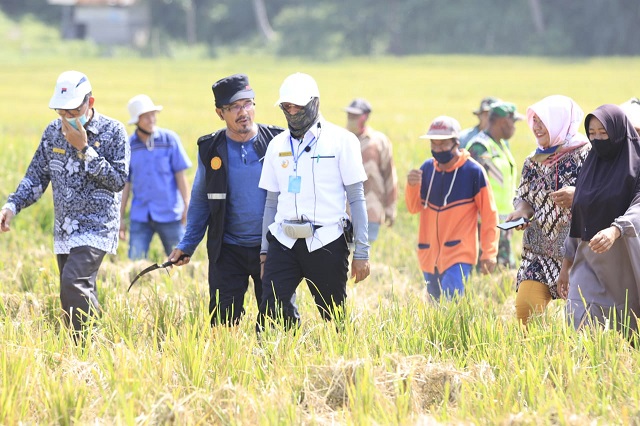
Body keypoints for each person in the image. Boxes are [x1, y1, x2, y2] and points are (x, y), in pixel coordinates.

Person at [0, 70, 129, 335]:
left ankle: (88, 343)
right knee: (73, 291)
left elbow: (118, 181)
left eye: (73, 110)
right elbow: (36, 176)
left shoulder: (113, 131)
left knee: (73, 282)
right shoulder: (52, 133)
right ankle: (85, 348)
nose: (67, 117)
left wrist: (84, 149)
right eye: (62, 111)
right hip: (65, 229)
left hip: (97, 227)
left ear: (90, 102)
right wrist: (12, 205)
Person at [168, 74, 284, 326]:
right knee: (222, 321)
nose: (243, 112)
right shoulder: (210, 148)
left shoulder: (277, 141)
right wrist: (188, 243)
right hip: (228, 248)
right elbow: (200, 199)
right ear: (220, 113)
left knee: (278, 320)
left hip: (273, 246)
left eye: (247, 104)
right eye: (233, 107)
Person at [257, 72, 370, 330]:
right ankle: (281, 359)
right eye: (287, 107)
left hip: (326, 241)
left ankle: (340, 359)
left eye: (298, 106)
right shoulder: (276, 146)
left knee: (334, 319)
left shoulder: (342, 141)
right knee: (270, 313)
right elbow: (271, 203)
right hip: (283, 241)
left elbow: (356, 197)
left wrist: (362, 252)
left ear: (314, 103)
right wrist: (264, 252)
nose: (293, 111)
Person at [504, 95, 590, 326]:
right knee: (526, 311)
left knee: (581, 322)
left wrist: (577, 195)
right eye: (535, 120)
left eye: (544, 120)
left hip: (578, 251)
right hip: (538, 252)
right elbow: (524, 197)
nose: (537, 126)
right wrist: (521, 212)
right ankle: (531, 358)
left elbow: (603, 193)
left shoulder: (588, 154)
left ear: (560, 121)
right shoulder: (533, 160)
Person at [558, 104, 640, 337]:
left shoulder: (637, 164)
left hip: (623, 260)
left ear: (618, 133)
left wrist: (615, 230)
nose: (597, 139)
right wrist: (566, 265)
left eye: (603, 133)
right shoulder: (590, 165)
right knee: (578, 318)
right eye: (592, 133)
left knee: (623, 329)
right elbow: (580, 213)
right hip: (587, 259)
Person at [405, 115, 499, 301]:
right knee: (435, 307)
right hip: (429, 255)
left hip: (459, 255)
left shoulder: (473, 172)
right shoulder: (426, 169)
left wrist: (489, 253)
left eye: (443, 144)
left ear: (456, 143)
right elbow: (413, 208)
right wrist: (412, 186)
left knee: (450, 305)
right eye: (434, 144)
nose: (438, 149)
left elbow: (489, 215)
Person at [120, 94, 192, 260]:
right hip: (141, 214)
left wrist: (187, 205)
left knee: (180, 259)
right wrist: (121, 218)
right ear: (136, 120)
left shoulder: (170, 140)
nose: (151, 119)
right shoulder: (129, 146)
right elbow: (125, 185)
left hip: (170, 213)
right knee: (135, 261)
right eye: (146, 116)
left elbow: (181, 176)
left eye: (153, 114)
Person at [467, 102, 524, 268]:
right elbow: (473, 186)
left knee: (504, 270)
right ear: (504, 122)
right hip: (485, 222)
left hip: (504, 221)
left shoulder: (500, 145)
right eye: (513, 123)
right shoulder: (480, 147)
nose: (514, 127)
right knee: (484, 271)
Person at [344, 97, 398, 242]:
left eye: (355, 116)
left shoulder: (379, 141)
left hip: (371, 210)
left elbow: (389, 175)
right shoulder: (341, 140)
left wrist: (390, 207)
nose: (351, 119)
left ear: (365, 117)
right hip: (343, 212)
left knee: (363, 256)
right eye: (349, 115)